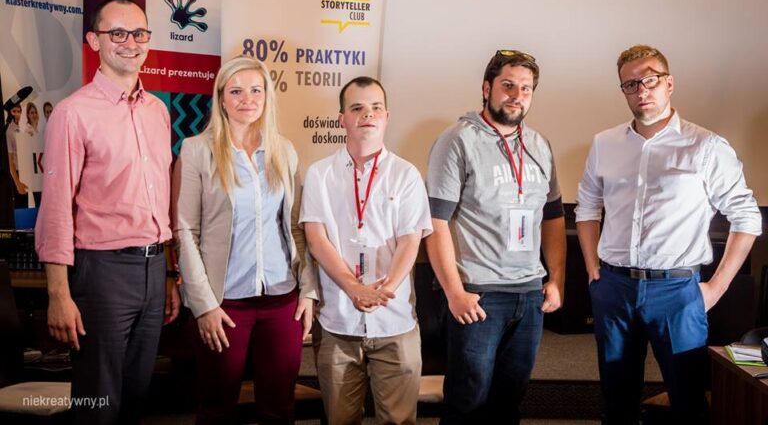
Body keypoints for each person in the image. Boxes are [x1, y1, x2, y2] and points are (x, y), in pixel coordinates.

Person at [575, 44, 762, 424]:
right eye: (630, 84)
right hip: (614, 288)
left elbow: (747, 218)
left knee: (688, 400)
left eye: (650, 80)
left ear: (669, 83)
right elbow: (587, 207)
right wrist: (593, 268)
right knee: (616, 400)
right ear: (623, 91)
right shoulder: (604, 143)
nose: (641, 90)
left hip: (677, 291)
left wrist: (715, 288)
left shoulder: (706, 146)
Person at [35, 0, 180, 425]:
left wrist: (169, 275)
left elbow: (160, 204)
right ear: (94, 40)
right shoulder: (72, 113)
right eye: (117, 33)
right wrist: (58, 294)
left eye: (139, 33)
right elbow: (56, 208)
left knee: (136, 400)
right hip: (102, 272)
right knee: (98, 405)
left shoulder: (158, 111)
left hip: (154, 269)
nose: (130, 42)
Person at [425, 50, 566, 424]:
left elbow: (553, 217)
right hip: (479, 293)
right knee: (467, 401)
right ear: (487, 88)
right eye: (508, 85)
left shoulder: (539, 145)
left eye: (526, 88)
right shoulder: (458, 140)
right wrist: (455, 292)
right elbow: (435, 223)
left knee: (509, 401)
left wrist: (557, 279)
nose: (517, 95)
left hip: (529, 294)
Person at [173, 56, 317, 424]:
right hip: (224, 304)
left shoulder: (284, 150)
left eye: (256, 90)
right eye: (236, 91)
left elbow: (297, 228)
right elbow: (185, 232)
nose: (247, 99)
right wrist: (203, 306)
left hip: (282, 301)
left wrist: (308, 290)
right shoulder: (196, 150)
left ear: (267, 96)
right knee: (217, 408)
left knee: (280, 409)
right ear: (221, 98)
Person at [300, 76, 432, 425]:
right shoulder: (319, 174)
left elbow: (410, 241)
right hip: (338, 322)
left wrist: (383, 292)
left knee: (399, 422)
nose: (367, 114)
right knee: (340, 420)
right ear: (342, 118)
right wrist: (354, 289)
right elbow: (316, 239)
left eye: (375, 107)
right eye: (357, 108)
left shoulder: (406, 175)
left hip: (394, 320)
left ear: (387, 116)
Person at [5, 103, 27, 207]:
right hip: (16, 173)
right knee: (19, 206)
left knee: (25, 204)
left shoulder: (23, 129)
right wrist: (17, 183)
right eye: (14, 111)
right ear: (10, 113)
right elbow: (10, 161)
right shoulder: (9, 131)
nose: (17, 114)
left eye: (19, 111)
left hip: (26, 171)